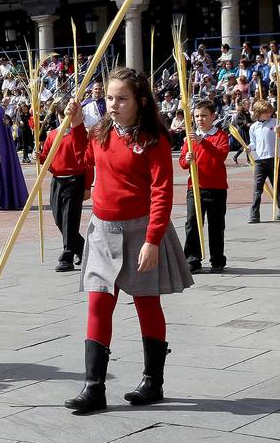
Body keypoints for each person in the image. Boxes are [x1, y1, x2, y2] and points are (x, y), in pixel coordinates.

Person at [64, 67, 193, 414]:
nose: (114, 104)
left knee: (146, 303)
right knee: (97, 303)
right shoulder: (100, 132)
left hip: (141, 230)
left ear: (140, 101)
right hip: (103, 229)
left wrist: (153, 240)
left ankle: (153, 381)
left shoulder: (154, 139)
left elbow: (162, 192)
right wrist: (76, 126)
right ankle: (94, 387)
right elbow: (81, 161)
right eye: (109, 98)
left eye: (122, 98)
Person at [38, 99, 91, 272]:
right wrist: (37, 155)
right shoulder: (52, 134)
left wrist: (87, 187)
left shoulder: (79, 134)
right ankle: (81, 246)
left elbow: (88, 163)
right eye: (62, 116)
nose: (64, 120)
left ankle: (67, 255)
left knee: (70, 219)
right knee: (59, 217)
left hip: (75, 180)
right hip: (57, 179)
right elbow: (45, 158)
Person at [179, 99, 229, 274]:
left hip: (216, 188)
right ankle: (192, 259)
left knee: (216, 225)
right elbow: (183, 162)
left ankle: (217, 259)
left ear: (213, 116)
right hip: (195, 187)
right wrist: (186, 159)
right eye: (197, 116)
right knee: (192, 223)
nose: (200, 119)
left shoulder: (220, 136)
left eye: (204, 116)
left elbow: (221, 155)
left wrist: (203, 142)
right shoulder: (190, 138)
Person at [246, 99, 280, 222]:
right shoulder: (254, 127)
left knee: (278, 184)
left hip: (274, 158)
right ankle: (254, 214)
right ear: (258, 113)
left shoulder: (274, 123)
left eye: (269, 112)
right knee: (257, 188)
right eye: (265, 112)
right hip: (260, 160)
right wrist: (249, 147)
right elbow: (254, 143)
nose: (268, 114)